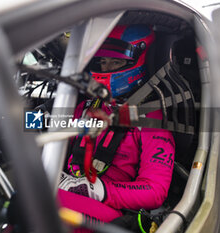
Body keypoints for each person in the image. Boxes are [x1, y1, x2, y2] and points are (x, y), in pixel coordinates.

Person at [57, 24, 175, 229]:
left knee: (40, 200)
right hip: (69, 193)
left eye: (115, 61)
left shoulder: (153, 120)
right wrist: (14, 118)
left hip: (114, 212)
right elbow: (52, 128)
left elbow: (155, 190)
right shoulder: (86, 107)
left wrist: (98, 190)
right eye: (102, 61)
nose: (106, 69)